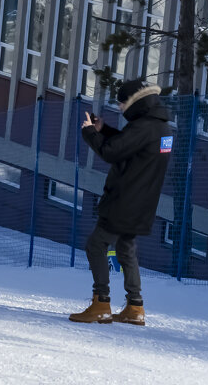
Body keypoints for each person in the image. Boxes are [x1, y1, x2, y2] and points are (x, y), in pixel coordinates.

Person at [69, 79, 174, 326]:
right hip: (144, 203)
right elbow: (128, 146)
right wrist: (103, 130)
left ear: (136, 102)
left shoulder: (143, 128)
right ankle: (135, 307)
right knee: (126, 249)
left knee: (96, 245)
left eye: (122, 102)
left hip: (125, 200)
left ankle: (101, 303)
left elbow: (112, 152)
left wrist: (89, 133)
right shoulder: (161, 128)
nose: (120, 107)